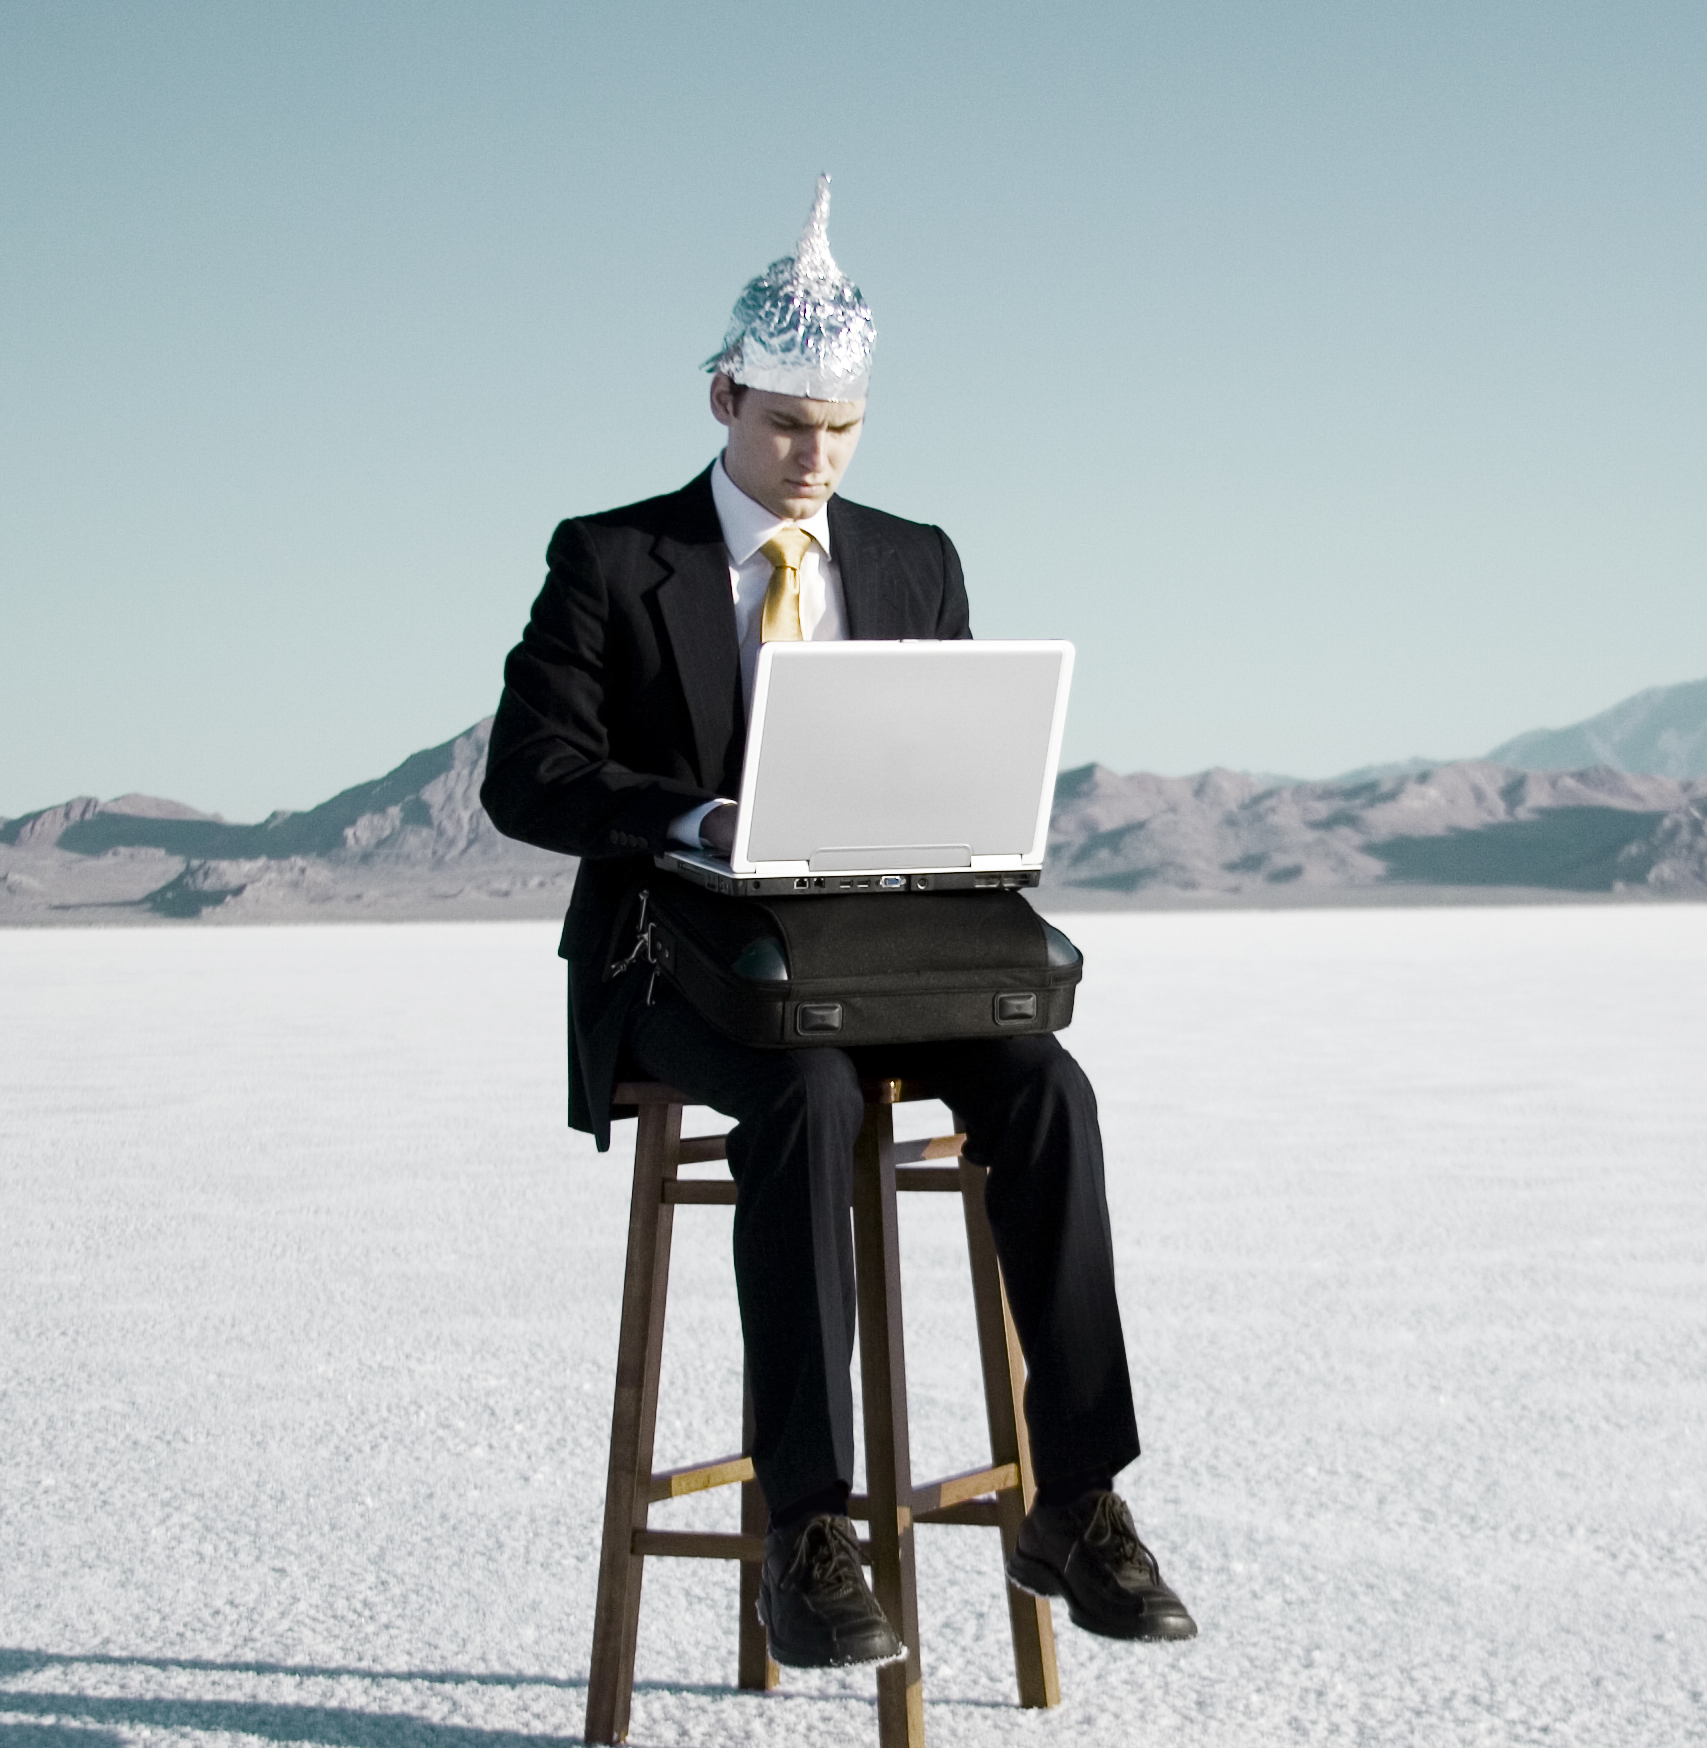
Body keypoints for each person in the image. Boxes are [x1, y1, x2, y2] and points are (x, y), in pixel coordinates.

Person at [480, 181, 1198, 1671]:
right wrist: (697, 820)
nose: (815, 459)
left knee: (1049, 1093)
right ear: (725, 395)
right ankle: (809, 1531)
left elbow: (932, 753)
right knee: (805, 1103)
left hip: (876, 953)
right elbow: (527, 777)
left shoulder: (913, 558)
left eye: (844, 429)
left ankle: (1080, 1500)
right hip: (682, 962)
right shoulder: (615, 559)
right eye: (789, 424)